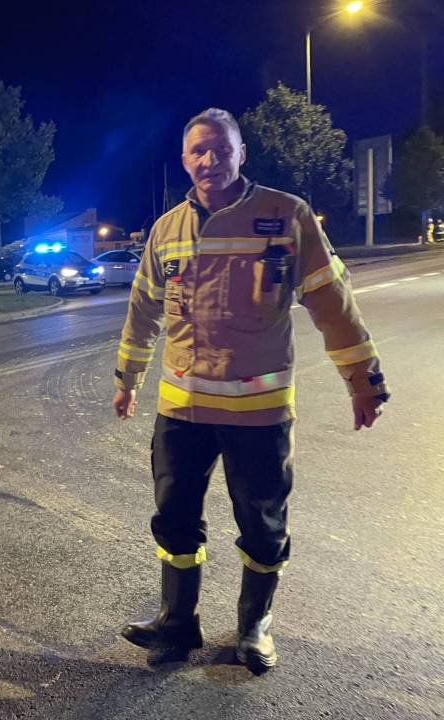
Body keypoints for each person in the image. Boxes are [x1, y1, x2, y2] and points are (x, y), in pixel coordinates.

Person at [112, 108, 389, 674]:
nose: (210, 160)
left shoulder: (287, 216)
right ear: (184, 160)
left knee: (262, 524)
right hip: (183, 411)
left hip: (258, 414)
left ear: (241, 153)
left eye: (221, 149)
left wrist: (362, 382)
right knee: (174, 519)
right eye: (198, 151)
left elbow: (332, 304)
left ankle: (254, 627)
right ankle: (177, 622)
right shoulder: (166, 230)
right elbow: (142, 311)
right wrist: (127, 381)